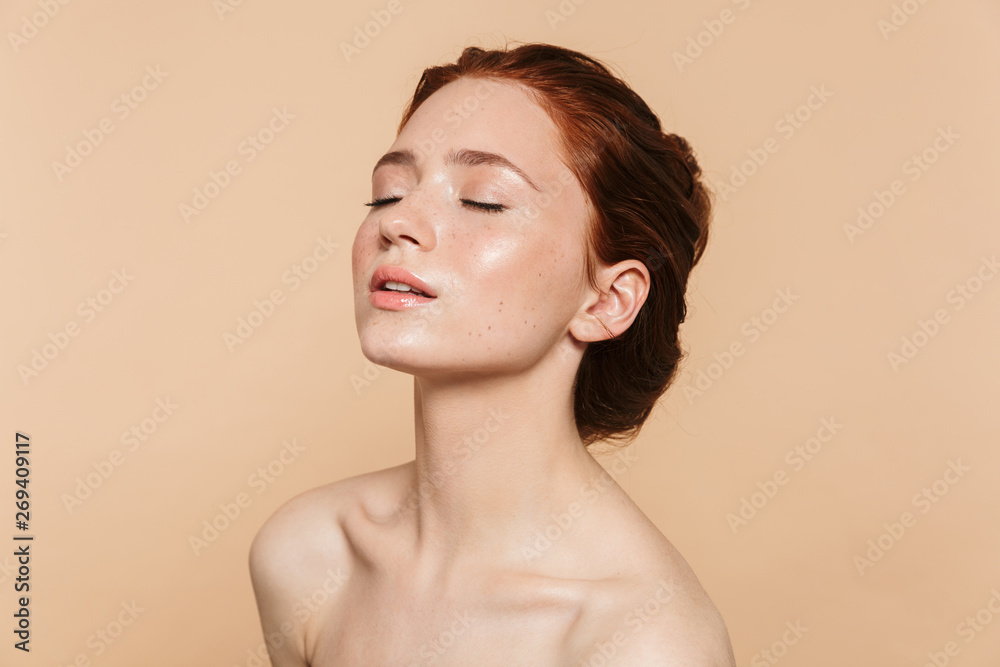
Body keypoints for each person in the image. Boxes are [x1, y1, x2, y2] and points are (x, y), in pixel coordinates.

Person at [249, 41, 736, 666]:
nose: (399, 224)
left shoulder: (642, 641)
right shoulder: (309, 554)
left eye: (483, 200)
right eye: (388, 194)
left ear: (608, 300)